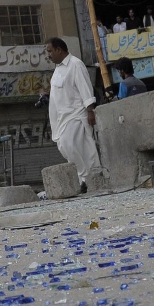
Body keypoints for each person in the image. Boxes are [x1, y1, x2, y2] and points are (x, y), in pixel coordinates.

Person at [45, 39, 104, 193]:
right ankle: (83, 179)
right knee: (68, 148)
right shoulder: (58, 70)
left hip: (76, 114)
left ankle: (89, 178)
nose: (48, 55)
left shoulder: (75, 64)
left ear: (59, 50)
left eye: (50, 51)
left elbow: (84, 87)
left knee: (71, 144)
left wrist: (90, 110)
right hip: (62, 118)